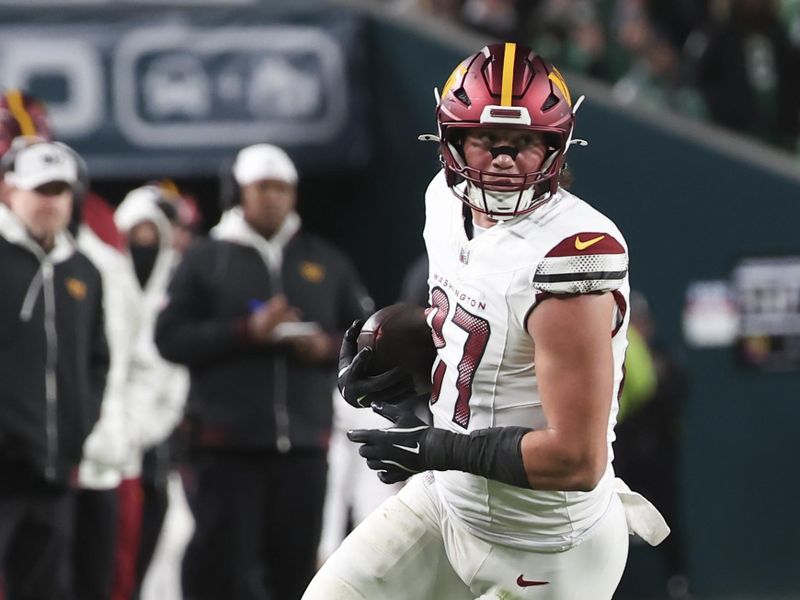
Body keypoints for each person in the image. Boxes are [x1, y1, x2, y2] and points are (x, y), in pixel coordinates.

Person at [304, 43, 668, 599]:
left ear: (555, 146)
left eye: (523, 144)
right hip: (449, 504)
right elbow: (484, 327)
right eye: (485, 140)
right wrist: (396, 356)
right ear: (450, 141)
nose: (503, 160)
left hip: (547, 543)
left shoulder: (571, 252)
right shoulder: (443, 205)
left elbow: (577, 458)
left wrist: (437, 445)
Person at [155, 143, 372, 600]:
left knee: (297, 576)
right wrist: (245, 331)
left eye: (283, 188)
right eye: (263, 187)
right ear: (237, 192)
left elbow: (365, 335)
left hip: (305, 447)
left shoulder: (326, 259)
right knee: (220, 573)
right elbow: (169, 338)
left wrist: (326, 346)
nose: (274, 197)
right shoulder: (205, 258)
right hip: (226, 448)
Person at [0, 138, 109, 600]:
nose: (51, 202)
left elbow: (97, 361)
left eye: (60, 191)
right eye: (40, 190)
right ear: (8, 192)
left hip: (54, 468)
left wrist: (77, 430)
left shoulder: (84, 270)